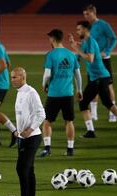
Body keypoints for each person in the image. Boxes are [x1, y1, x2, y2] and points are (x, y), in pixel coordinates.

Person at [69, 21, 117, 139]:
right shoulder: (85, 42)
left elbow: (90, 58)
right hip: (99, 77)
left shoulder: (91, 41)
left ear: (86, 30)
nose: (77, 32)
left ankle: (92, 131)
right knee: (106, 102)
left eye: (79, 29)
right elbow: (80, 55)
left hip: (99, 78)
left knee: (83, 103)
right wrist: (75, 47)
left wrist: (77, 49)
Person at [38, 29, 83, 157]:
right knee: (69, 121)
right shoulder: (71, 55)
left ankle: (47, 148)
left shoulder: (51, 55)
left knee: (47, 121)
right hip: (68, 93)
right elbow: (78, 75)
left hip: (54, 94)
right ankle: (70, 149)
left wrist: (44, 85)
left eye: (49, 39)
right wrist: (79, 90)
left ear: (52, 39)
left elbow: (47, 75)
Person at [11, 67, 45, 196]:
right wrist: (17, 131)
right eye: (11, 77)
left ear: (23, 78)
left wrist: (30, 129)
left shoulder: (31, 93)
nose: (11, 80)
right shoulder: (19, 93)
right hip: (22, 138)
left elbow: (41, 114)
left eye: (14, 77)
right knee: (29, 170)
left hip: (33, 137)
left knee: (21, 168)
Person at [83, 4, 117, 122]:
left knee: (108, 86)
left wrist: (106, 51)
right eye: (84, 14)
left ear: (94, 13)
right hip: (92, 60)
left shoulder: (103, 25)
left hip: (104, 59)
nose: (86, 16)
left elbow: (114, 38)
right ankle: (94, 114)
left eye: (88, 14)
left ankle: (112, 114)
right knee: (93, 85)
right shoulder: (87, 27)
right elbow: (86, 43)